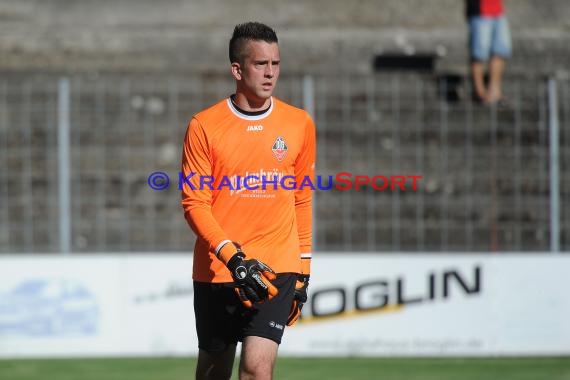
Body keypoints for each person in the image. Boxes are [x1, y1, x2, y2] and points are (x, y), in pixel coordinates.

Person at [180, 22, 315, 380]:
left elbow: (302, 197)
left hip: (276, 267)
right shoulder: (204, 126)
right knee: (213, 371)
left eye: (276, 63)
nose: (270, 73)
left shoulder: (299, 123)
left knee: (257, 369)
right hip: (219, 268)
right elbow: (194, 203)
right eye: (260, 64)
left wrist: (303, 266)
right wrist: (232, 256)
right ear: (237, 70)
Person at [466, 0, 512, 104]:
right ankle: (480, 93)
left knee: (500, 51)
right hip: (480, 12)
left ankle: (494, 91)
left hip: (498, 12)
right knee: (479, 54)